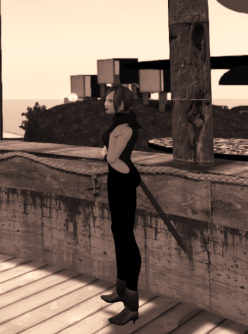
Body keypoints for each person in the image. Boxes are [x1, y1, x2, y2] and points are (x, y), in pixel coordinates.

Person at [99, 86, 142, 326]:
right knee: (118, 232)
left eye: (109, 100)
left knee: (126, 239)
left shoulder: (125, 127)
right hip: (116, 181)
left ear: (121, 102)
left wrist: (106, 153)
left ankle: (132, 306)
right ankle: (121, 290)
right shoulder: (119, 124)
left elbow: (114, 158)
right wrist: (108, 152)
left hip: (123, 183)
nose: (105, 103)